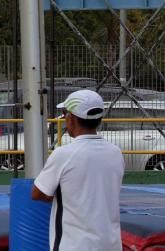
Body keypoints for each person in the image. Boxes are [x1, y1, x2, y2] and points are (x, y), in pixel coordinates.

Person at [31, 89, 124, 250]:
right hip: (111, 244)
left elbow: (38, 193)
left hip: (76, 245)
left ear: (70, 118)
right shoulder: (115, 152)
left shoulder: (63, 154)